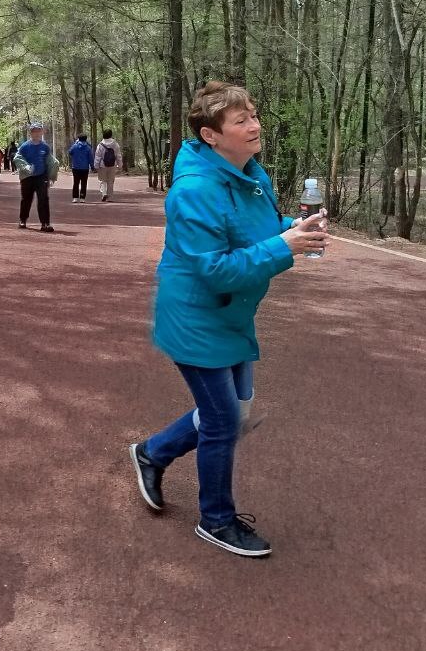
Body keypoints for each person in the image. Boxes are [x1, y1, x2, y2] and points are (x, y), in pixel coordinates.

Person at [128, 81, 328, 557]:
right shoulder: (194, 190)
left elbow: (253, 231)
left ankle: (152, 453)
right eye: (241, 120)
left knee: (236, 413)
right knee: (222, 420)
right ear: (211, 135)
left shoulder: (250, 176)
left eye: (253, 115)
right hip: (195, 317)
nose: (255, 125)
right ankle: (216, 520)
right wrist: (283, 247)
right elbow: (215, 269)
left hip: (232, 313)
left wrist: (291, 229)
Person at [14, 121, 55, 233]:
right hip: (27, 177)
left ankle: (45, 223)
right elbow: (17, 158)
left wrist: (51, 176)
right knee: (26, 199)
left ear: (42, 132)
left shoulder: (45, 147)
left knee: (43, 199)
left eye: (38, 131)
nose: (36, 133)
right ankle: (23, 220)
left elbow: (50, 162)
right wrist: (26, 167)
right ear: (30, 133)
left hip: (41, 176)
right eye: (34, 131)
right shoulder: (24, 146)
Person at [94, 129, 123, 200]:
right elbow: (118, 155)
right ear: (111, 135)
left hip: (102, 165)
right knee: (111, 181)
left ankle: (104, 193)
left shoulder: (100, 144)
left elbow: (98, 156)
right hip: (113, 165)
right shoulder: (115, 144)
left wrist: (96, 166)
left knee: (103, 180)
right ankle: (110, 197)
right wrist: (120, 165)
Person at [68, 133, 94, 202]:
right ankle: (82, 197)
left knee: (76, 183)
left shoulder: (75, 146)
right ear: (86, 139)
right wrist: (92, 166)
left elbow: (70, 152)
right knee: (84, 183)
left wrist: (75, 143)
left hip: (75, 167)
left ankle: (75, 197)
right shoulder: (88, 148)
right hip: (85, 168)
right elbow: (91, 158)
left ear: (78, 139)